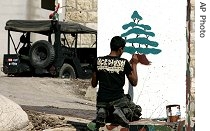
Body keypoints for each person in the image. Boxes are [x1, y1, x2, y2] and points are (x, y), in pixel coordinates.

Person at [89, 36, 142, 130]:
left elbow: (93, 84)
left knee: (108, 111)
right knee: (136, 111)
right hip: (118, 99)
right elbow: (134, 82)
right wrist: (134, 64)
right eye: (123, 49)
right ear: (120, 49)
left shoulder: (97, 61)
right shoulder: (123, 62)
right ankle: (120, 111)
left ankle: (103, 111)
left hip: (102, 100)